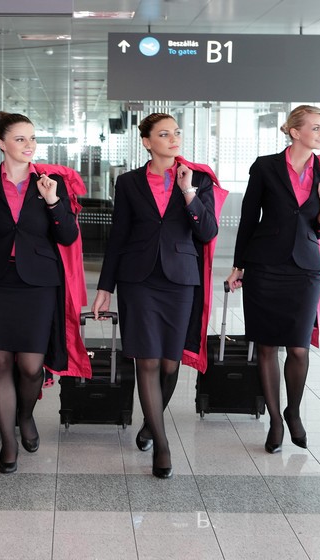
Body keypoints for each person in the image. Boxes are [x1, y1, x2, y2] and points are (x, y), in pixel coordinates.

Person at [92, 113, 220, 478]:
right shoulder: (129, 182)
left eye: (176, 132)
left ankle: (152, 422)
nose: (173, 138)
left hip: (180, 280)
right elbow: (118, 236)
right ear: (147, 141)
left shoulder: (198, 179)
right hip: (139, 280)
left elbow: (207, 231)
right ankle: (162, 447)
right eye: (164, 134)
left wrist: (189, 192)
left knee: (169, 363)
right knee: (146, 360)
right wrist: (105, 287)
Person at [0, 111, 81, 474]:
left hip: (37, 284)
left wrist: (52, 202)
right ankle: (9, 442)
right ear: (1, 143)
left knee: (30, 367)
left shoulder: (49, 183)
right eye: (20, 139)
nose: (29, 146)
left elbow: (68, 236)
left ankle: (26, 416)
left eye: (32, 139)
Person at [225, 104, 320, 454]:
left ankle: (294, 410)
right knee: (266, 346)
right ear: (295, 131)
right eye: (316, 127)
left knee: (299, 347)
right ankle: (275, 418)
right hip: (264, 265)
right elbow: (248, 217)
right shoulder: (265, 167)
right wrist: (238, 264)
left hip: (304, 268)